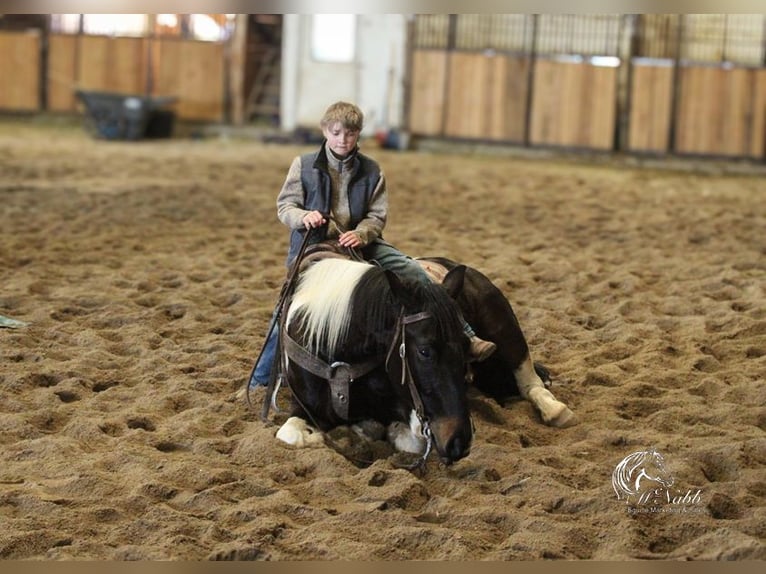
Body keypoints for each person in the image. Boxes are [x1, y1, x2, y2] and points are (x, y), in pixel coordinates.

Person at [250, 101, 495, 387]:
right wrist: (305, 217)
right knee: (289, 306)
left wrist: (362, 233)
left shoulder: (372, 169)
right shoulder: (302, 165)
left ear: (358, 135)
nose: (343, 140)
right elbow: (285, 207)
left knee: (412, 270)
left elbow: (377, 216)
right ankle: (262, 377)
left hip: (361, 242)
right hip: (315, 244)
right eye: (337, 132)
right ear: (325, 131)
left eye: (350, 134)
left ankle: (466, 333)